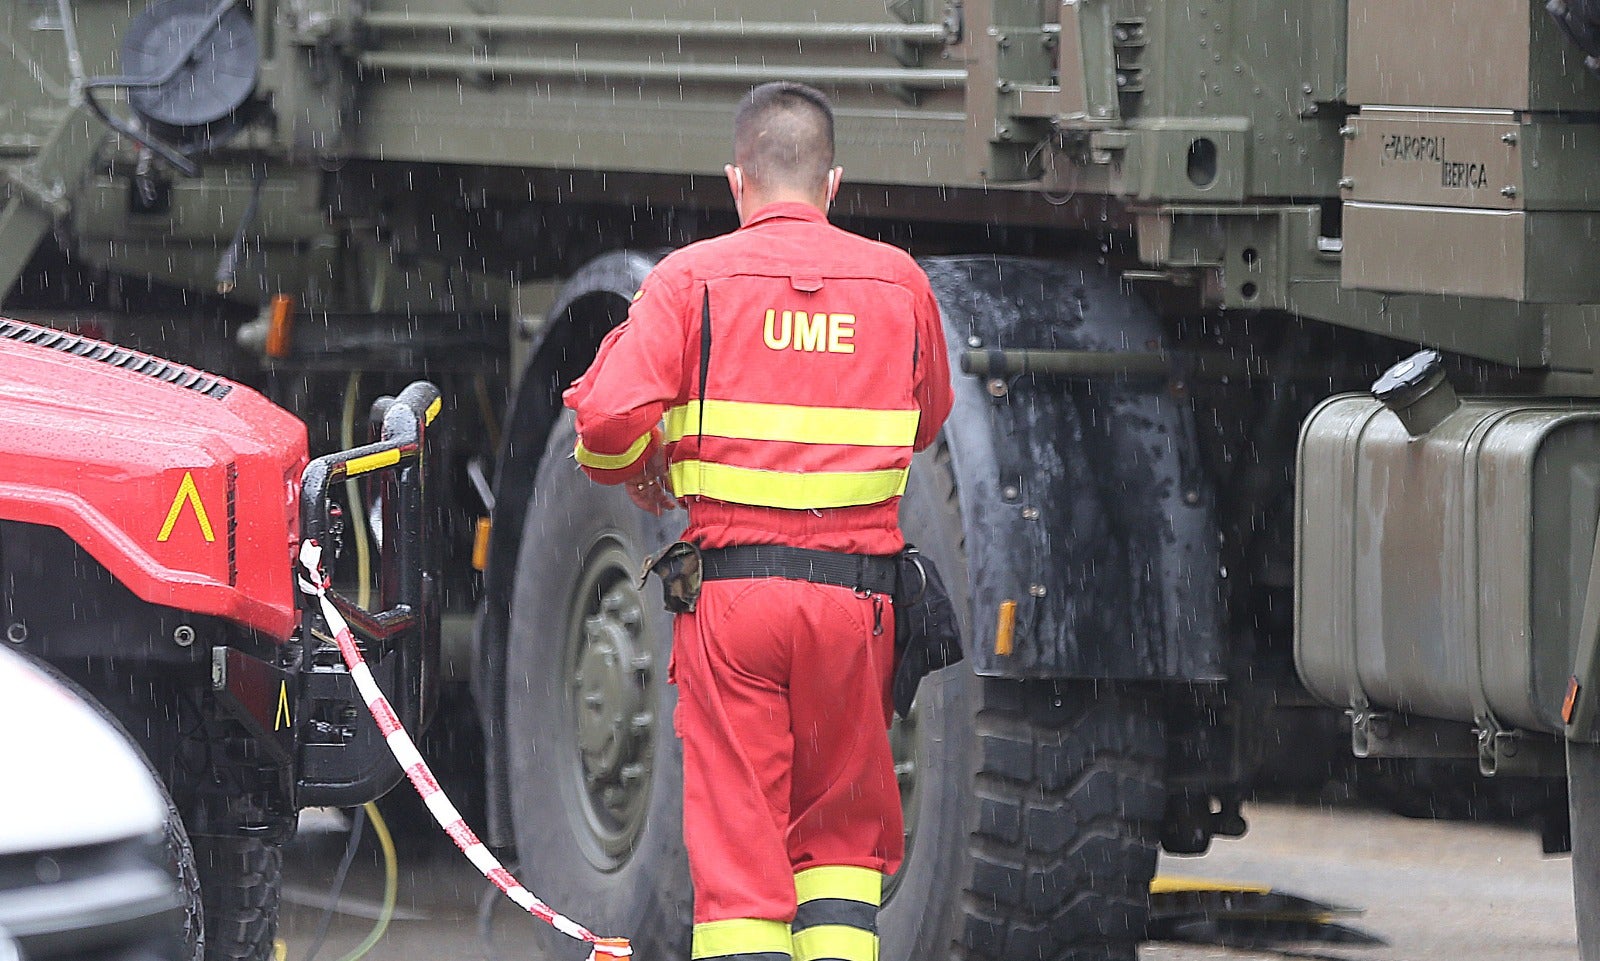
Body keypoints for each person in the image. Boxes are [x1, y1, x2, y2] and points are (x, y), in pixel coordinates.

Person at [563, 81, 953, 961]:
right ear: (833, 184)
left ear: (737, 182)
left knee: (742, 862)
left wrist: (641, 467)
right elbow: (925, 419)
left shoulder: (690, 279)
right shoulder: (900, 283)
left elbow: (603, 422)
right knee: (843, 853)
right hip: (859, 611)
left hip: (735, 608)